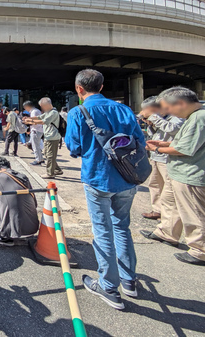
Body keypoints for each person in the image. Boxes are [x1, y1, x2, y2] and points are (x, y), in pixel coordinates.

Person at [65, 69, 145, 310]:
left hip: (97, 178)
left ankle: (108, 287)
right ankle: (129, 281)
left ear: (79, 89)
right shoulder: (123, 109)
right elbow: (139, 141)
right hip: (127, 178)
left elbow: (74, 147)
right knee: (122, 227)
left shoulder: (77, 112)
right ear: (101, 87)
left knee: (102, 230)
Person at [142, 87, 205, 266]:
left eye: (168, 109)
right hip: (180, 172)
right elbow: (187, 142)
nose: (168, 113)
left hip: (191, 174)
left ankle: (200, 250)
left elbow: (184, 149)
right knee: (170, 202)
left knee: (195, 213)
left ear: (180, 103)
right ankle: (167, 232)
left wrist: (158, 148)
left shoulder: (199, 118)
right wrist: (164, 143)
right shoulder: (194, 117)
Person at [0, 157, 39, 246]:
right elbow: (35, 202)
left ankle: (0, 235)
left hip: (9, 233)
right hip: (31, 230)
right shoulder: (23, 176)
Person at [138, 96, 183, 220]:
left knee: (169, 191)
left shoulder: (175, 117)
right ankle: (157, 210)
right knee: (155, 185)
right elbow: (155, 135)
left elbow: (173, 130)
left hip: (169, 158)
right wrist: (150, 123)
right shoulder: (159, 120)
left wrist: (153, 117)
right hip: (155, 156)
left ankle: (170, 217)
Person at [24, 98, 62, 179]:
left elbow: (43, 121)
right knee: (47, 154)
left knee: (50, 155)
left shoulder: (53, 112)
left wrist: (30, 122)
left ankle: (50, 173)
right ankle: (57, 170)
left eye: (42, 106)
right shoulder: (48, 112)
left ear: (46, 105)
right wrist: (29, 119)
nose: (42, 108)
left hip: (53, 137)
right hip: (48, 136)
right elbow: (39, 117)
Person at [23, 101, 44, 165]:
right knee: (36, 145)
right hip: (38, 130)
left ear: (27, 106)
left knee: (35, 146)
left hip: (36, 130)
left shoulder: (34, 112)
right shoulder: (36, 111)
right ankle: (41, 159)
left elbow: (35, 122)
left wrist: (27, 122)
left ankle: (38, 160)